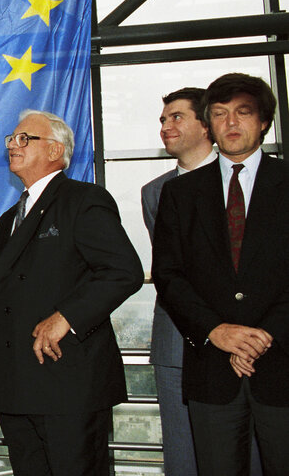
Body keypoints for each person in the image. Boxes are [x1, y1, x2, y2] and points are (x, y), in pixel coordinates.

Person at [0, 110, 143, 475]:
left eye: (24, 139)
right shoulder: (9, 219)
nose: (12, 146)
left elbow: (123, 271)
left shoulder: (84, 200)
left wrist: (67, 316)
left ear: (54, 150)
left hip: (67, 383)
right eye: (11, 139)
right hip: (16, 383)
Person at [152, 73, 289, 476]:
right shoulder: (179, 194)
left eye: (243, 113)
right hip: (211, 369)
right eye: (219, 114)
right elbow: (169, 276)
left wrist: (263, 335)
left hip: (282, 364)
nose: (231, 123)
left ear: (264, 121)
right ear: (209, 124)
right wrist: (216, 331)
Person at [141, 87, 216, 475]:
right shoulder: (155, 192)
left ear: (206, 126)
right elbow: (171, 272)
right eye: (163, 120)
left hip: (240, 339)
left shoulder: (249, 180)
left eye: (176, 117)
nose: (166, 127)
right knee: (182, 453)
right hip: (175, 345)